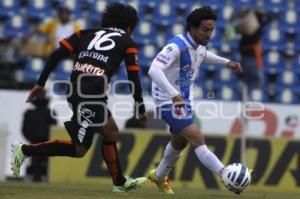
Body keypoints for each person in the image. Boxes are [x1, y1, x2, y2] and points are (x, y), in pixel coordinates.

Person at [11, 3, 148, 192]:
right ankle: (24, 150)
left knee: (111, 132)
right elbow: (134, 76)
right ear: (130, 27)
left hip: (80, 91)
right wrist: (140, 107)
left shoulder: (84, 33)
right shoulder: (127, 42)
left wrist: (40, 83)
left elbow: (56, 55)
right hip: (90, 94)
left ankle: (119, 183)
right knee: (79, 149)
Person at [147, 6, 243, 194]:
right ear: (192, 28)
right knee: (197, 138)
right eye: (205, 30)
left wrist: (227, 62)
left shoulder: (199, 47)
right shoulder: (175, 46)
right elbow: (153, 70)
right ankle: (227, 175)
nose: (209, 34)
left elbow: (204, 56)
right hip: (168, 100)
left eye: (212, 30)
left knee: (180, 141)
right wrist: (174, 95)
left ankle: (158, 176)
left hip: (184, 100)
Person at [22, 90, 56, 182]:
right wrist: (32, 139)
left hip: (45, 143)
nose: (41, 97)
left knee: (44, 163)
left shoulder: (50, 113)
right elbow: (25, 129)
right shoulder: (29, 113)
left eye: (42, 95)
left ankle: (42, 178)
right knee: (35, 163)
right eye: (39, 95)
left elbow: (54, 129)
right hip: (35, 142)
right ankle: (33, 177)